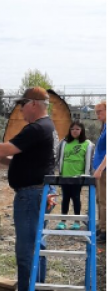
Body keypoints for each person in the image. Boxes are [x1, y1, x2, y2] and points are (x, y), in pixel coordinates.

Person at [0, 87, 58, 291]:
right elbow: (15, 160)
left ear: (34, 104)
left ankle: (28, 288)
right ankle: (37, 285)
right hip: (41, 192)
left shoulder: (36, 129)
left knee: (26, 248)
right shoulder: (48, 127)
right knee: (37, 244)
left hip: (30, 195)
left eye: (22, 105)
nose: (20, 110)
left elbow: (3, 149)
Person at [55, 121, 94, 230]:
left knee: (76, 197)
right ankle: (63, 222)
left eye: (77, 129)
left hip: (78, 176)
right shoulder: (64, 142)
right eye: (72, 129)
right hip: (65, 175)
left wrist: (90, 174)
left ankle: (77, 222)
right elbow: (57, 156)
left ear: (81, 131)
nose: (75, 131)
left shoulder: (87, 144)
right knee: (65, 198)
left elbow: (90, 160)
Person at [93, 100, 106, 243]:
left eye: (100, 111)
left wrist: (100, 169)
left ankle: (105, 231)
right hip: (100, 170)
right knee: (99, 199)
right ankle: (101, 225)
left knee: (104, 201)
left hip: (104, 170)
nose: (98, 114)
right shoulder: (104, 127)